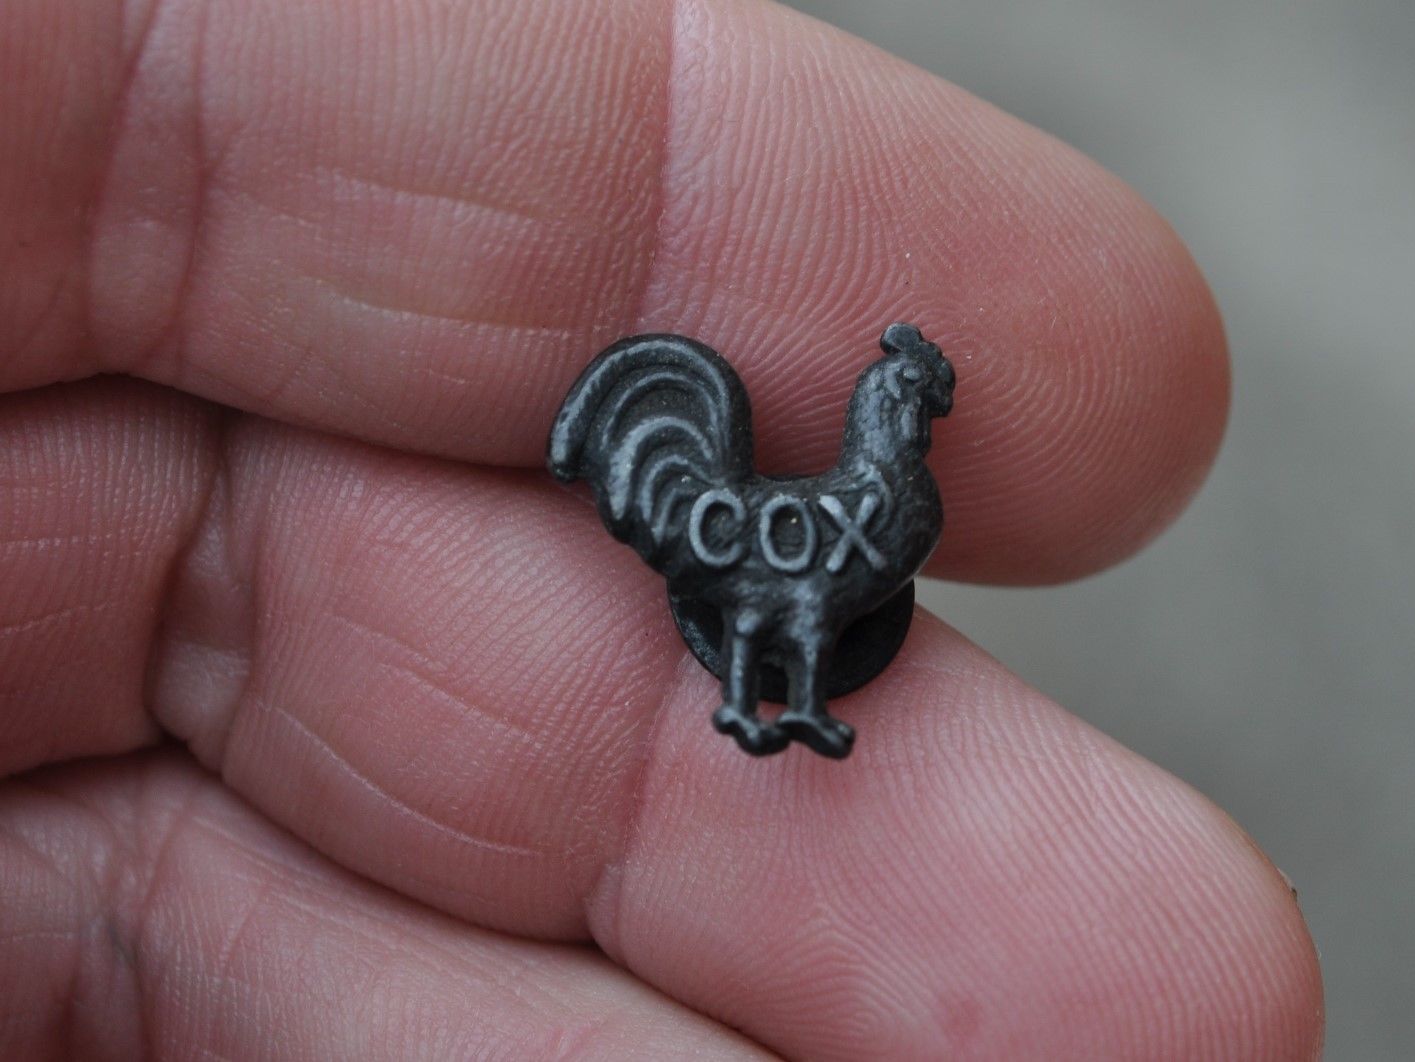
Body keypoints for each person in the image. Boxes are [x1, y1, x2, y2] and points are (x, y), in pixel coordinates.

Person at [0, 1, 1323, 1057]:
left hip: (765, 589)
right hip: (749, 578)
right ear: (891, 407)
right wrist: (785, 683)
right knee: (788, 606)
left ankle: (767, 695)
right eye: (913, 398)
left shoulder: (884, 490)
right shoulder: (870, 502)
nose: (924, 411)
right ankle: (766, 698)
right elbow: (789, 590)